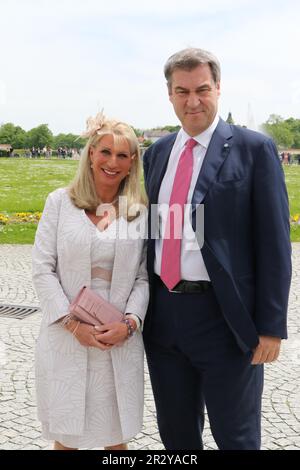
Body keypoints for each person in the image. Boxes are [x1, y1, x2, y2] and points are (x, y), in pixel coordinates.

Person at [143, 48, 292, 450]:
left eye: (202, 89)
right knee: (176, 437)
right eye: (182, 91)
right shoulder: (156, 154)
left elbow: (275, 244)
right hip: (164, 318)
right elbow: (154, 233)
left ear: (218, 88)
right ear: (170, 94)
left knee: (236, 437)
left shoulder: (253, 149)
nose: (193, 101)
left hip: (225, 319)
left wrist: (270, 326)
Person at [32, 113, 149, 450]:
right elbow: (42, 268)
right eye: (105, 152)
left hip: (117, 338)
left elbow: (143, 277)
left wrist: (129, 323)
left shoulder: (138, 212)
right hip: (66, 336)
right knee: (67, 438)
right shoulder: (59, 203)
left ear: (131, 163)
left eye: (122, 155)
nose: (112, 162)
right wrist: (72, 324)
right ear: (91, 153)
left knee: (115, 437)